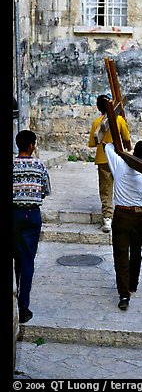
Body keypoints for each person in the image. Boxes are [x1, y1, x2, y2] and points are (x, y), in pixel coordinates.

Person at [104, 140, 142, 311]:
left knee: (121, 254)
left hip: (121, 214)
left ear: (134, 153)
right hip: (139, 215)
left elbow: (108, 147)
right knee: (136, 250)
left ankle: (124, 294)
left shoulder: (119, 165)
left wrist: (122, 147)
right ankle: (133, 284)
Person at [13, 130, 51, 323]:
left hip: (13, 214)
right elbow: (46, 191)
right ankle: (23, 308)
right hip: (32, 215)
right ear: (31, 146)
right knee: (27, 262)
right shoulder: (39, 165)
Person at [88, 94, 131, 232]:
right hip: (118, 158)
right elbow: (126, 137)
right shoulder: (119, 120)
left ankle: (107, 217)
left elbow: (92, 143)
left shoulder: (97, 122)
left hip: (103, 159)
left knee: (106, 189)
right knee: (121, 186)